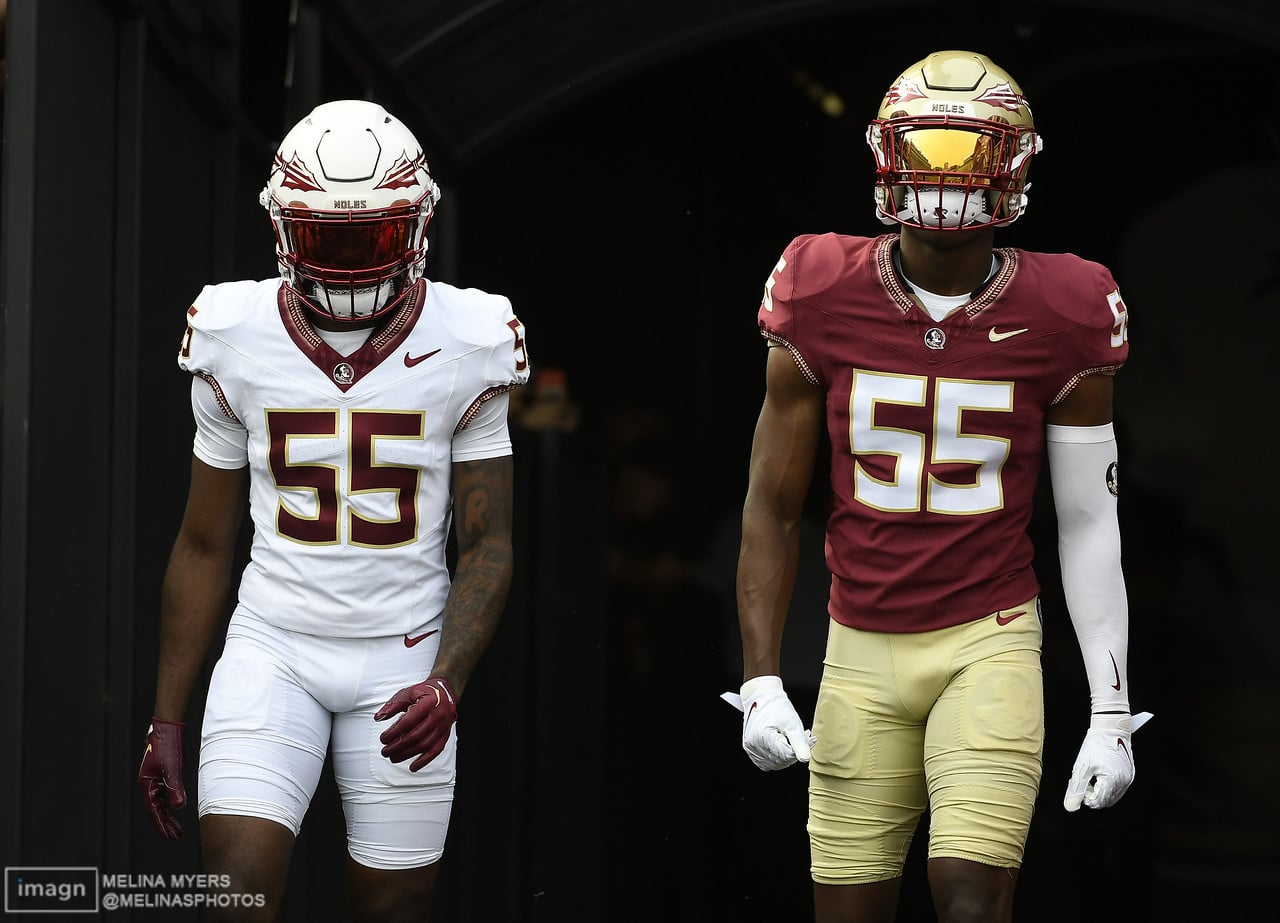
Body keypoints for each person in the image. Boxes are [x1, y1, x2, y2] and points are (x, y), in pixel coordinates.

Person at [733, 50, 1149, 922]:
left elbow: (1087, 521)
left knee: (968, 896)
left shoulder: (1067, 304)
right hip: (858, 643)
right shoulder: (819, 282)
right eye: (929, 152)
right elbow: (773, 502)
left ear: (1016, 165)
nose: (948, 178)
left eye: (972, 155)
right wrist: (763, 675)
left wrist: (1110, 707)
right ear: (889, 156)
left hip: (988, 637)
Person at [136, 99, 531, 922]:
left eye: (371, 236)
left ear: (416, 223)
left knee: (393, 908)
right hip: (273, 644)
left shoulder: (472, 336)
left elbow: (489, 541)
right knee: (235, 892)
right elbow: (206, 541)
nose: (351, 262)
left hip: (407, 655)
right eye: (329, 237)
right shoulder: (234, 331)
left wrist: (449, 681)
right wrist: (166, 714)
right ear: (284, 227)